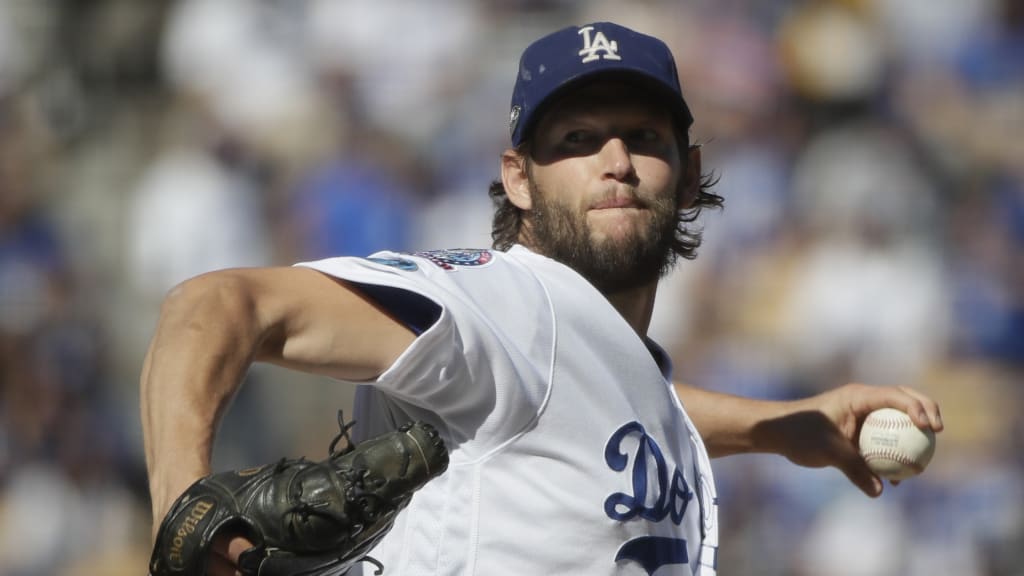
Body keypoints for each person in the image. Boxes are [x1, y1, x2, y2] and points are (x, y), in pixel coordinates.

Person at [141, 22, 943, 575]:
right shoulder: (503, 300)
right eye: (577, 140)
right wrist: (183, 514)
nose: (617, 160)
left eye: (644, 137)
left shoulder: (577, 355)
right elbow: (213, 306)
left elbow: (605, 404)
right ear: (518, 178)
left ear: (689, 173)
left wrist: (783, 426)